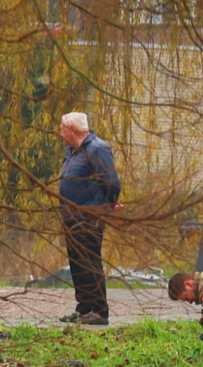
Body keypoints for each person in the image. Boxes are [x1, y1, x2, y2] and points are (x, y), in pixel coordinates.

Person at [57, 112, 122, 326]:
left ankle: (99, 310)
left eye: (62, 128)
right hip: (71, 216)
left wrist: (108, 205)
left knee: (90, 261)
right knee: (77, 263)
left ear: (72, 130)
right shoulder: (74, 152)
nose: (59, 132)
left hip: (89, 215)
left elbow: (111, 181)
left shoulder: (97, 148)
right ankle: (84, 307)